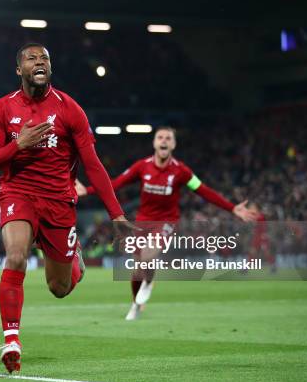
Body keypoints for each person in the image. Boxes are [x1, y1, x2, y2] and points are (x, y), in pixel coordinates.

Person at [0, 42, 127, 373]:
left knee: (59, 288)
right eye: (32, 58)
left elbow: (92, 163)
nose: (39, 61)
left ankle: (73, 260)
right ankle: (12, 339)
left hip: (59, 202)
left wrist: (116, 213)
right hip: (17, 192)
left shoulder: (69, 109)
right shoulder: (2, 108)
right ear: (19, 70)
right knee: (16, 255)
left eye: (45, 58)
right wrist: (17, 145)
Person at [76, 126, 259, 320]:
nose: (164, 141)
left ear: (173, 144)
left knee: (148, 255)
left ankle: (148, 283)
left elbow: (204, 190)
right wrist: (87, 191)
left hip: (166, 222)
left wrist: (232, 208)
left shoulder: (181, 171)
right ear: (154, 143)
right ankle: (136, 303)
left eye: (168, 138)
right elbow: (116, 182)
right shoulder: (142, 166)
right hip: (142, 221)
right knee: (138, 268)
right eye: (160, 137)